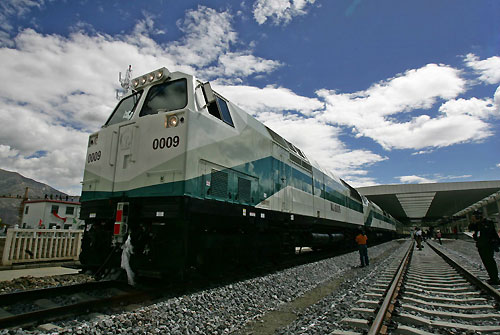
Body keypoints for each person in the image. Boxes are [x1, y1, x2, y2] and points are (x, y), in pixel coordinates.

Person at [468, 210, 500, 285]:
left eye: (476, 216)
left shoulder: (487, 222)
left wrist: (478, 222)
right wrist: (473, 222)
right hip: (481, 245)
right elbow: (470, 228)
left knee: (490, 261)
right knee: (486, 262)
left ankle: (495, 278)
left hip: (488, 245)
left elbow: (487, 231)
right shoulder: (477, 224)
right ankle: (492, 277)